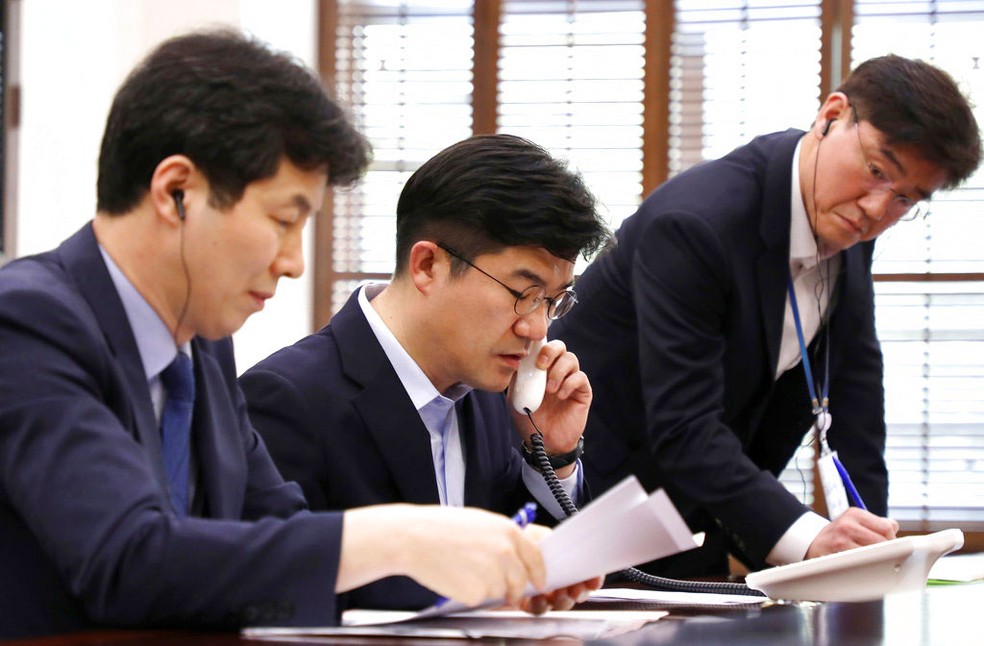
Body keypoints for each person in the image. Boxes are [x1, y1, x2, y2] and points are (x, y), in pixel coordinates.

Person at [0, 30, 576, 639]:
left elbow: (278, 537)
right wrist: (403, 534)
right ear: (177, 192)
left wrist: (500, 570)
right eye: (283, 220)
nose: (294, 261)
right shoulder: (29, 322)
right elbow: (127, 558)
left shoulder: (202, 345)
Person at [550, 55, 982, 578]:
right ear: (832, 115)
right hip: (596, 511)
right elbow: (684, 426)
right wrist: (809, 536)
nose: (877, 209)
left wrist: (873, 558)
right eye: (876, 171)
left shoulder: (849, 231)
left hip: (698, 510)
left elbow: (857, 399)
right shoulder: (698, 223)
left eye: (905, 199)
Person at [240, 133, 613, 610]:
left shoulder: (487, 391)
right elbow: (278, 594)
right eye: (524, 293)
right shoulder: (287, 398)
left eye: (554, 301)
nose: (536, 327)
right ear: (427, 265)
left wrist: (552, 455)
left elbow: (533, 569)